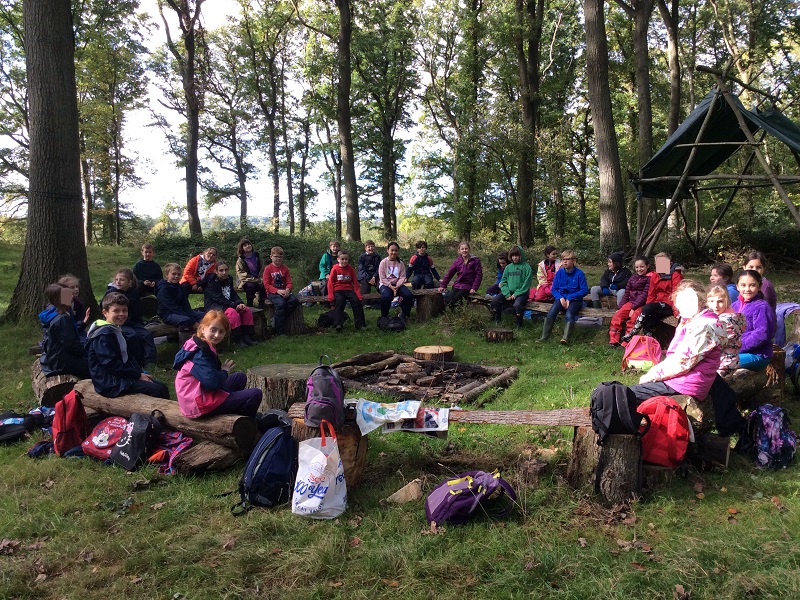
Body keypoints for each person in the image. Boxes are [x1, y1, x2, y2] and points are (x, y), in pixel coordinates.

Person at [628, 280, 744, 437]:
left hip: (685, 382)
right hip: (686, 378)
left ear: (700, 300)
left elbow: (683, 362)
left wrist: (651, 375)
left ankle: (640, 435)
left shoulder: (704, 325)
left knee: (626, 396)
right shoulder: (693, 319)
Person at [173, 311, 263, 418]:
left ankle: (235, 413)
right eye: (213, 330)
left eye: (221, 332)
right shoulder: (199, 354)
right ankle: (247, 425)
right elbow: (212, 383)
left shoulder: (198, 344)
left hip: (199, 394)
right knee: (255, 394)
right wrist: (224, 372)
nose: (217, 335)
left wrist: (222, 372)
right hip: (198, 404)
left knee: (239, 377)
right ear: (203, 329)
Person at [86, 293, 170, 399]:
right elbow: (111, 364)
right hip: (109, 382)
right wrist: (137, 375)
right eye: (116, 311)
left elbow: (127, 356)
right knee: (159, 390)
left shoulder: (114, 329)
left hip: (119, 375)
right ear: (105, 312)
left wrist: (139, 373)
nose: (121, 314)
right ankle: (154, 414)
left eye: (124, 310)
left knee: (161, 386)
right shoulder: (103, 335)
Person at [622, 251, 683, 343]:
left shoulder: (676, 275)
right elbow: (651, 294)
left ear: (669, 263)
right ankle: (648, 343)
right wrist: (648, 310)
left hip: (669, 304)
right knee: (649, 321)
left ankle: (634, 331)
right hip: (657, 304)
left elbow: (677, 295)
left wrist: (677, 312)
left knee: (650, 308)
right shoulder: (655, 275)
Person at [103, 268, 156, 366]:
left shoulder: (133, 292)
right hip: (119, 323)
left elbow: (138, 310)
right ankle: (136, 362)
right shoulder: (111, 293)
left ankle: (150, 361)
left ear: (129, 282)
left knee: (146, 334)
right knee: (132, 336)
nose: (118, 282)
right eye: (117, 279)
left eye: (122, 280)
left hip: (133, 322)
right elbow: (104, 308)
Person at [39, 283, 89, 380]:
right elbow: (71, 345)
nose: (71, 297)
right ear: (59, 299)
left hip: (56, 357)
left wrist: (82, 324)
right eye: (68, 295)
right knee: (94, 364)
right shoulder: (62, 319)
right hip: (60, 362)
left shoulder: (58, 314)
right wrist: (86, 351)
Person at [539, 249, 588, 344]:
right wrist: (560, 298)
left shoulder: (579, 274)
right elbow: (554, 289)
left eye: (567, 259)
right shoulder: (559, 273)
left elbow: (584, 290)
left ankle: (565, 338)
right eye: (563, 259)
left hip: (575, 300)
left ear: (573, 261)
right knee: (551, 313)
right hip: (561, 298)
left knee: (569, 314)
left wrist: (570, 297)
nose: (564, 261)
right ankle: (544, 337)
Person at [204, 260, 257, 347]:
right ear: (216, 272)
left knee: (246, 310)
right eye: (221, 270)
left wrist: (240, 303)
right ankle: (238, 338)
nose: (224, 272)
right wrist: (234, 305)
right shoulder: (211, 282)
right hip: (214, 305)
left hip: (228, 304)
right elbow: (218, 298)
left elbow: (232, 293)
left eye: (226, 270)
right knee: (232, 313)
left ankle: (247, 337)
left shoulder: (229, 279)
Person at [731, 269, 776, 370]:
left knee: (724, 363)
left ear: (759, 286)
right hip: (735, 351)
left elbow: (762, 334)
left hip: (758, 354)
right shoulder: (734, 306)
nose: (747, 289)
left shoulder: (762, 307)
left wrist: (738, 348)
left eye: (752, 285)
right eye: (743, 285)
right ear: (737, 286)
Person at [609, 256, 651, 347]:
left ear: (647, 266)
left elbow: (644, 295)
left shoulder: (650, 278)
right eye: (637, 267)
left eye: (641, 267)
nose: (639, 269)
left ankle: (627, 342)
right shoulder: (632, 278)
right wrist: (620, 308)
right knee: (617, 316)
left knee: (633, 319)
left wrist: (633, 308)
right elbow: (627, 293)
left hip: (642, 304)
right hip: (631, 302)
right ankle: (614, 340)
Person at [491, 245, 532, 329]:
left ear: (521, 256)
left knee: (517, 305)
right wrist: (506, 294)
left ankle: (518, 325)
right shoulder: (508, 268)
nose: (514, 258)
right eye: (513, 256)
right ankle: (497, 320)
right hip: (509, 292)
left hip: (522, 293)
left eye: (516, 255)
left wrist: (516, 294)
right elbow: (503, 282)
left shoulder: (527, 268)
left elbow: (526, 285)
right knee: (495, 300)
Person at [707, 284, 744, 376]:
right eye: (711, 301)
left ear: (726, 301)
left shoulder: (727, 320)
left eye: (720, 301)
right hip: (723, 360)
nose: (715, 305)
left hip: (724, 363)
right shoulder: (722, 317)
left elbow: (714, 343)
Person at [262, 246, 299, 336]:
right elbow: (266, 285)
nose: (278, 259)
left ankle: (277, 320)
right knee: (281, 304)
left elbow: (289, 282)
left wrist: (287, 290)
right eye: (276, 256)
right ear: (271, 257)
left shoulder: (285, 268)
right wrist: (278, 291)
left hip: (284, 291)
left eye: (280, 257)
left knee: (294, 300)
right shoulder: (268, 269)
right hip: (272, 292)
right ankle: (279, 331)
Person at [156, 263, 205, 331]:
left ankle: (200, 329)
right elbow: (173, 308)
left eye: (178, 274)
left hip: (182, 311)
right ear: (167, 275)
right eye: (173, 274)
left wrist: (191, 315)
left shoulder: (180, 287)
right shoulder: (163, 290)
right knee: (187, 320)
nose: (176, 276)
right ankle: (190, 332)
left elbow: (185, 304)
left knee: (204, 315)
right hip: (168, 314)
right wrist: (192, 321)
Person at [328, 250, 366, 331]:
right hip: (338, 290)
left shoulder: (350, 269)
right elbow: (330, 283)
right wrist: (330, 296)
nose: (344, 261)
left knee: (356, 302)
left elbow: (355, 282)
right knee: (340, 302)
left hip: (348, 289)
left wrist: (358, 294)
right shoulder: (335, 269)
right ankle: (338, 323)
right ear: (338, 259)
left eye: (346, 259)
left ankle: (360, 324)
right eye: (342, 259)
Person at [438, 241, 483, 309]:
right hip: (458, 284)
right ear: (459, 250)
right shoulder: (458, 261)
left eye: (466, 248)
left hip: (468, 285)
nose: (464, 250)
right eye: (462, 249)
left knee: (457, 299)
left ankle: (460, 314)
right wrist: (443, 285)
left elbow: (478, 275)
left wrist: (474, 287)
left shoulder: (475, 260)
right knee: (449, 300)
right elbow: (450, 273)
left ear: (469, 249)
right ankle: (451, 315)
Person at [378, 241, 414, 320]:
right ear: (388, 250)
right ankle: (384, 316)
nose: (394, 252)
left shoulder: (400, 263)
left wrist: (397, 286)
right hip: (385, 285)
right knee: (386, 297)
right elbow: (382, 278)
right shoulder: (383, 262)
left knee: (408, 295)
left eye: (396, 250)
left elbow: (402, 277)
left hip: (398, 285)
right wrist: (391, 287)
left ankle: (404, 314)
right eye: (392, 250)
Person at [235, 237, 267, 308]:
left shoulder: (257, 256)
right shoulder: (241, 259)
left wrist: (261, 278)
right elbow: (241, 274)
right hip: (245, 280)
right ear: (242, 248)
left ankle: (261, 304)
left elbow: (262, 268)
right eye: (245, 245)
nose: (247, 246)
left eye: (248, 244)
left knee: (265, 283)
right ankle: (250, 305)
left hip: (258, 278)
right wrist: (255, 280)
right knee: (251, 286)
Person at [57, 273, 91, 340]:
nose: (76, 289)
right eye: (72, 287)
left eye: (77, 287)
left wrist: (83, 322)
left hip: (77, 332)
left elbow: (79, 322)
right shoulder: (60, 305)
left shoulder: (78, 303)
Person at [357, 239, 382, 307]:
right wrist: (368, 279)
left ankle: (382, 300)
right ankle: (365, 303)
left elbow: (379, 268)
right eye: (369, 247)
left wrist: (374, 277)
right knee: (365, 287)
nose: (371, 248)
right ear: (366, 248)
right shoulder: (362, 257)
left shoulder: (377, 256)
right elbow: (361, 269)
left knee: (380, 286)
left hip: (375, 275)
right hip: (365, 276)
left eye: (372, 246)